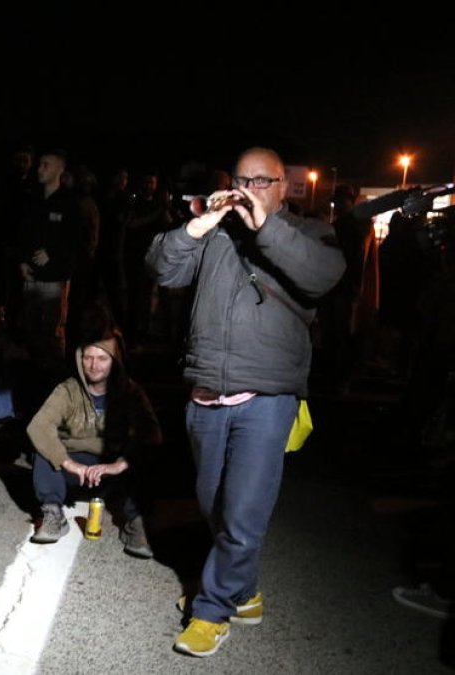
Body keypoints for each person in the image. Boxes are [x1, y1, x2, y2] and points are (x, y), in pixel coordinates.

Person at [146, 147, 345, 657]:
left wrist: (265, 228)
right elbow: (163, 270)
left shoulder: (308, 232)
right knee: (215, 504)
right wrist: (200, 223)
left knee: (242, 514)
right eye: (242, 179)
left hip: (268, 398)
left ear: (283, 186)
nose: (250, 188)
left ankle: (211, 611)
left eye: (263, 180)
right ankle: (245, 587)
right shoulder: (215, 232)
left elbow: (323, 277)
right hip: (206, 392)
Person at [26, 322, 161, 553]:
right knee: (43, 449)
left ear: (114, 361)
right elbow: (38, 426)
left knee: (147, 457)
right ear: (80, 359)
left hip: (113, 471)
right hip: (74, 472)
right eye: (88, 357)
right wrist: (69, 463)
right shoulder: (68, 390)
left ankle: (136, 524)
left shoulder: (130, 392)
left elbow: (151, 433)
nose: (94, 365)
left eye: (102, 358)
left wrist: (119, 465)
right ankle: (53, 515)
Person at [17, 150, 81, 368]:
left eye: (46, 165)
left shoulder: (69, 202)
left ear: (59, 169)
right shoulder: (32, 199)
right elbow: (23, 234)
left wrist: (52, 253)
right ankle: (33, 375)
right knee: (29, 328)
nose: (40, 169)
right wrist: (23, 261)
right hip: (31, 277)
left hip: (54, 280)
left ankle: (53, 378)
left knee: (52, 332)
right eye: (40, 164)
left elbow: (76, 239)